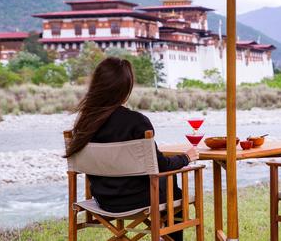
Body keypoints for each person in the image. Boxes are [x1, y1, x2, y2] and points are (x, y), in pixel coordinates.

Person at [64, 57, 198, 241]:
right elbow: (161, 166)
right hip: (141, 201)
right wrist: (186, 158)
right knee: (172, 182)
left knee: (167, 181)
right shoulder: (137, 122)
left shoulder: (84, 124)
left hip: (103, 201)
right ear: (125, 89)